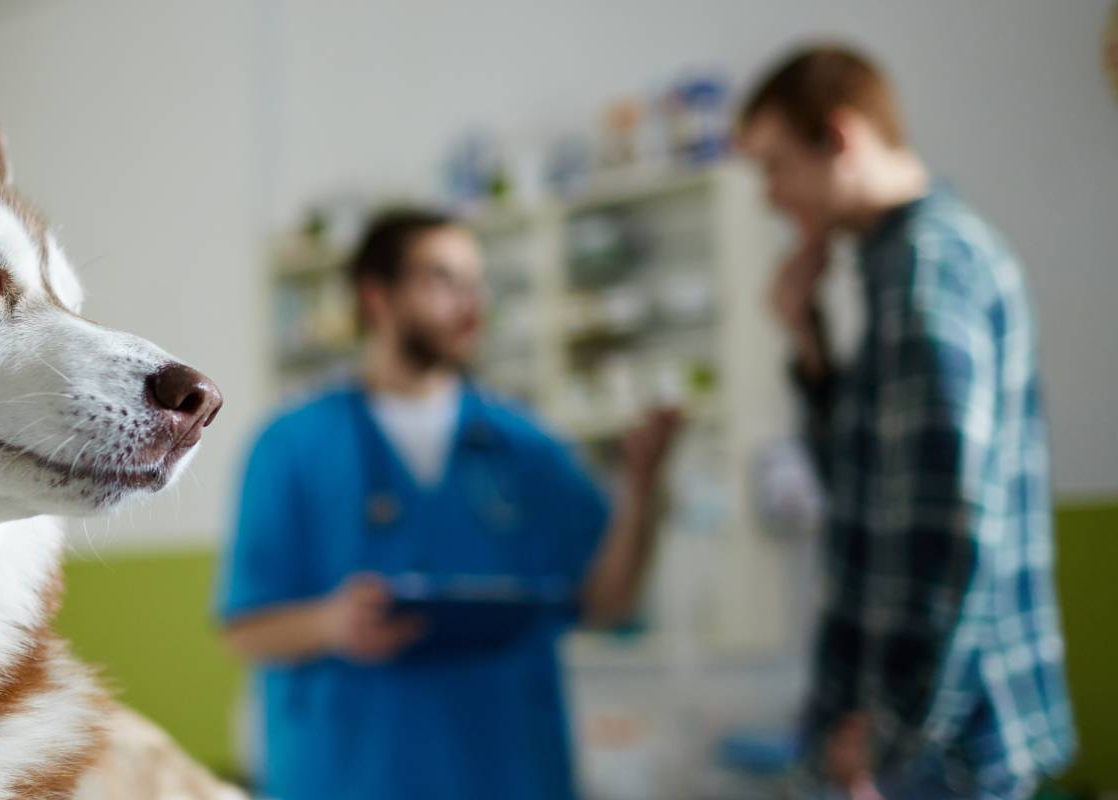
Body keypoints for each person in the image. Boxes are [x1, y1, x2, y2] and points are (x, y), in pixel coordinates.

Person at [217, 209, 680, 799]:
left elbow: (608, 604)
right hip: (350, 776)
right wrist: (332, 623)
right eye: (443, 279)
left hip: (510, 774)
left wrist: (643, 489)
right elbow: (245, 629)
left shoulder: (529, 448)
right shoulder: (291, 447)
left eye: (476, 282)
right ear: (377, 297)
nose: (471, 301)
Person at [736, 45, 1076, 798]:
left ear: (842, 138)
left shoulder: (930, 267)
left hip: (938, 745)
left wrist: (888, 731)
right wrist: (809, 339)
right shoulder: (899, 267)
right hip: (930, 732)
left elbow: (950, 529)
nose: (770, 195)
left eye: (775, 165)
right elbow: (861, 490)